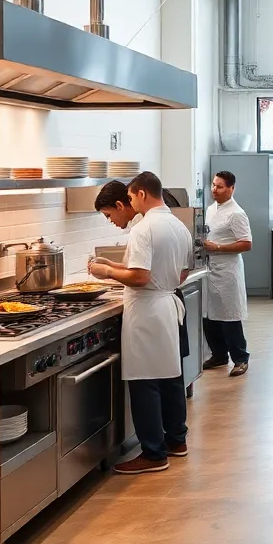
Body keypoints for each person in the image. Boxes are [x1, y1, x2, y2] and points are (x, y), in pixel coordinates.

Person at [88, 172, 193, 474]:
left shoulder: (143, 228)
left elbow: (141, 276)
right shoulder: (178, 225)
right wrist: (114, 265)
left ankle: (153, 453)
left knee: (145, 382)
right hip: (167, 306)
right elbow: (180, 271)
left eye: (131, 197)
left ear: (142, 194)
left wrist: (106, 273)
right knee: (171, 376)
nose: (130, 202)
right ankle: (176, 440)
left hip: (147, 311)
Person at [202, 171, 253, 377]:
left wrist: (218, 247)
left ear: (231, 188)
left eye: (220, 186)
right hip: (211, 269)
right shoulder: (211, 209)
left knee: (229, 317)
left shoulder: (236, 213)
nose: (215, 189)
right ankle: (219, 355)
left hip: (228, 271)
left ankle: (240, 358)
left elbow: (247, 243)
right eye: (213, 185)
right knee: (210, 315)